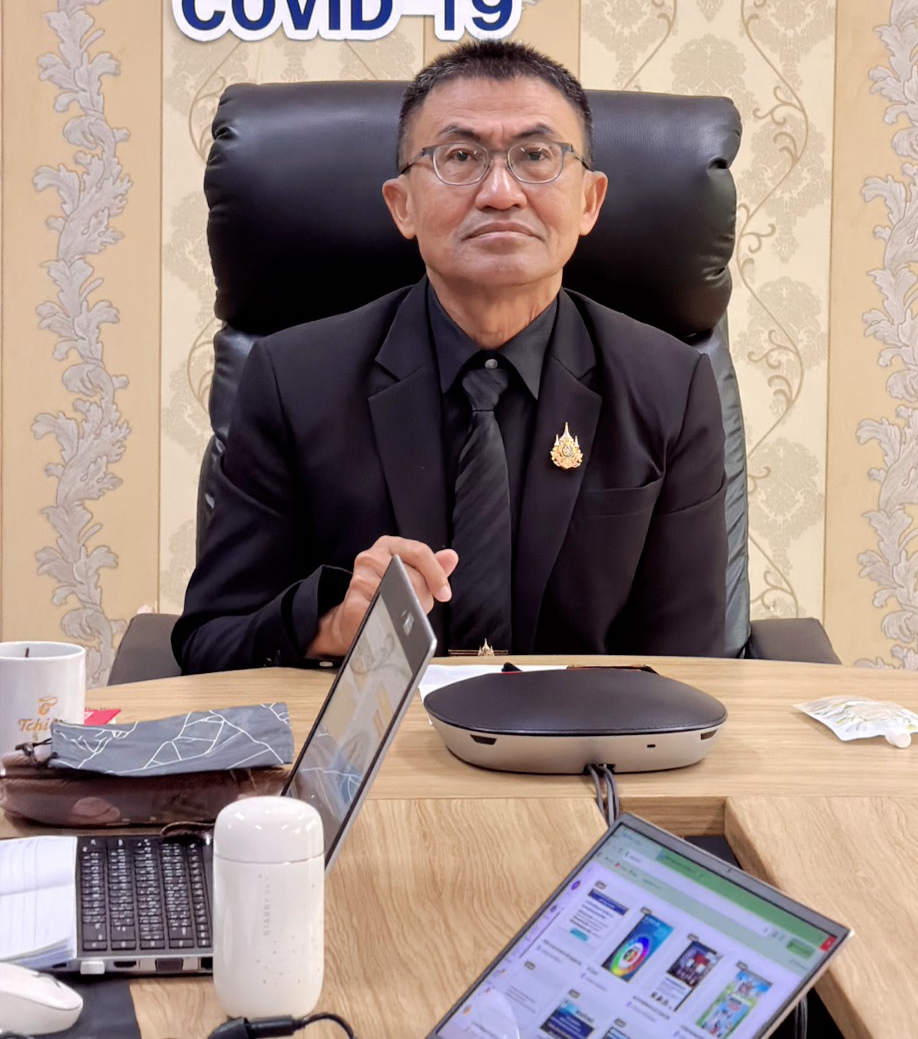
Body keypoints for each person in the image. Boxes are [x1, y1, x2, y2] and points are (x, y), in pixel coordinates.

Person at [172, 40, 727, 672]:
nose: (500, 192)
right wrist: (333, 625)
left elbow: (693, 667)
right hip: (383, 733)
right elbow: (210, 642)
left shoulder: (671, 387)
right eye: (460, 156)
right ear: (402, 205)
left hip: (582, 733)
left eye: (536, 156)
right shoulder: (292, 380)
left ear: (589, 202)